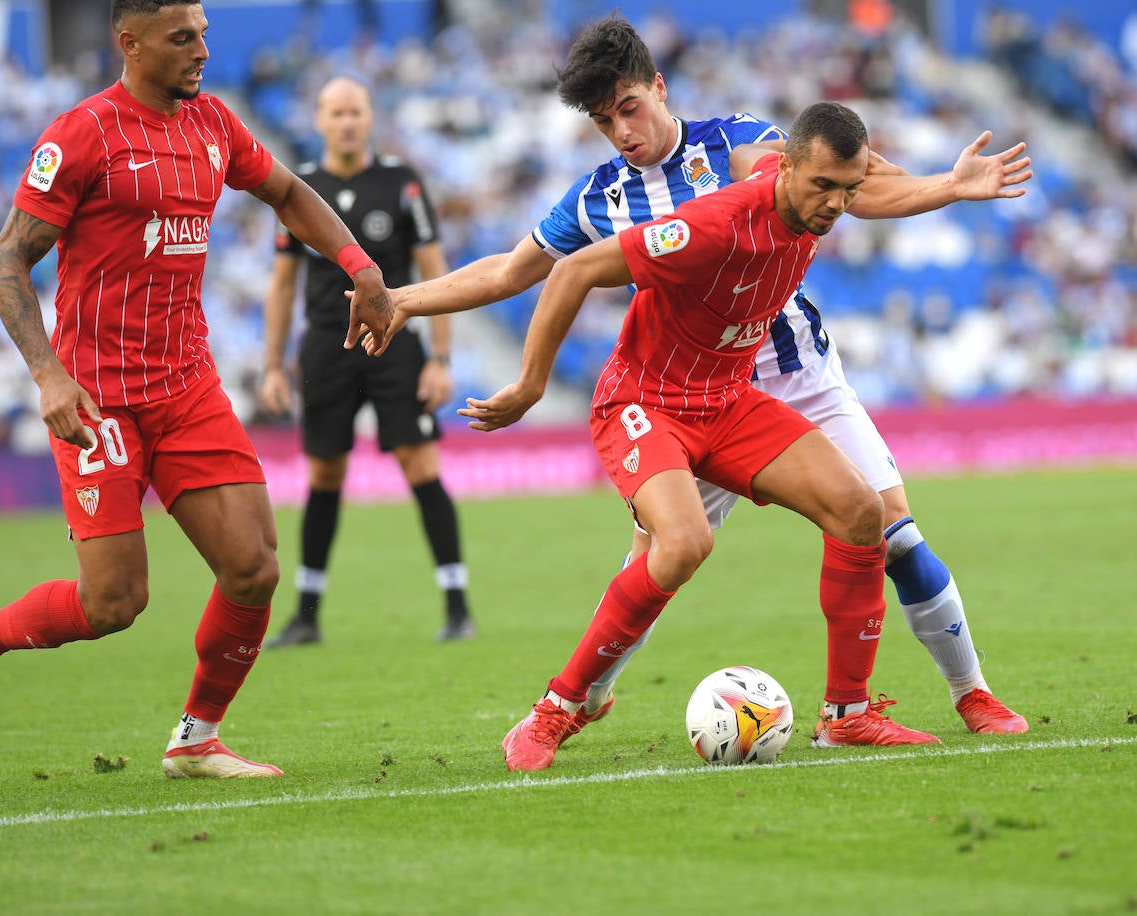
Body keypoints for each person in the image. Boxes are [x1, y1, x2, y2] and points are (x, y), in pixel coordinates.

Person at [368, 14, 1031, 741]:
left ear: (659, 87)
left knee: (888, 532)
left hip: (793, 369)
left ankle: (969, 694)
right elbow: (509, 272)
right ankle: (582, 696)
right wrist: (403, 300)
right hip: (684, 388)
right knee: (665, 555)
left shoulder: (736, 142)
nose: (622, 132)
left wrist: (947, 186)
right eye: (603, 121)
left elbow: (851, 184)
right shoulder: (597, 198)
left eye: (629, 108)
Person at [0, 0, 395, 777]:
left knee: (254, 566)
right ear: (130, 44)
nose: (202, 48)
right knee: (113, 604)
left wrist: (361, 267)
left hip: (186, 385)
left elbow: (289, 193)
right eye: (182, 38)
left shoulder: (213, 123)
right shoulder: (82, 134)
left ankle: (196, 739)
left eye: (203, 32)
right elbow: (6, 262)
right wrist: (48, 375)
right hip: (98, 397)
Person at [467, 100, 909, 770]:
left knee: (860, 512)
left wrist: (953, 184)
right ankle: (557, 709)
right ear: (785, 167)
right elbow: (574, 270)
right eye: (823, 186)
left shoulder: (814, 202)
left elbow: (880, 184)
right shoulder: (713, 223)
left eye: (847, 190)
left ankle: (847, 716)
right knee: (682, 544)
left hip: (727, 401)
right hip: (644, 402)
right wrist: (531, 385)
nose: (835, 204)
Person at [259, 76, 473, 647]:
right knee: (324, 473)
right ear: (320, 120)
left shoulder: (401, 182)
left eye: (356, 111)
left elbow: (435, 269)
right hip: (326, 346)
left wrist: (440, 358)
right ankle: (307, 615)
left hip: (394, 341)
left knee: (419, 463)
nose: (348, 122)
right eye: (337, 113)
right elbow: (282, 284)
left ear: (370, 117)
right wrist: (274, 365)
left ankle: (457, 607)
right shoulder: (301, 188)